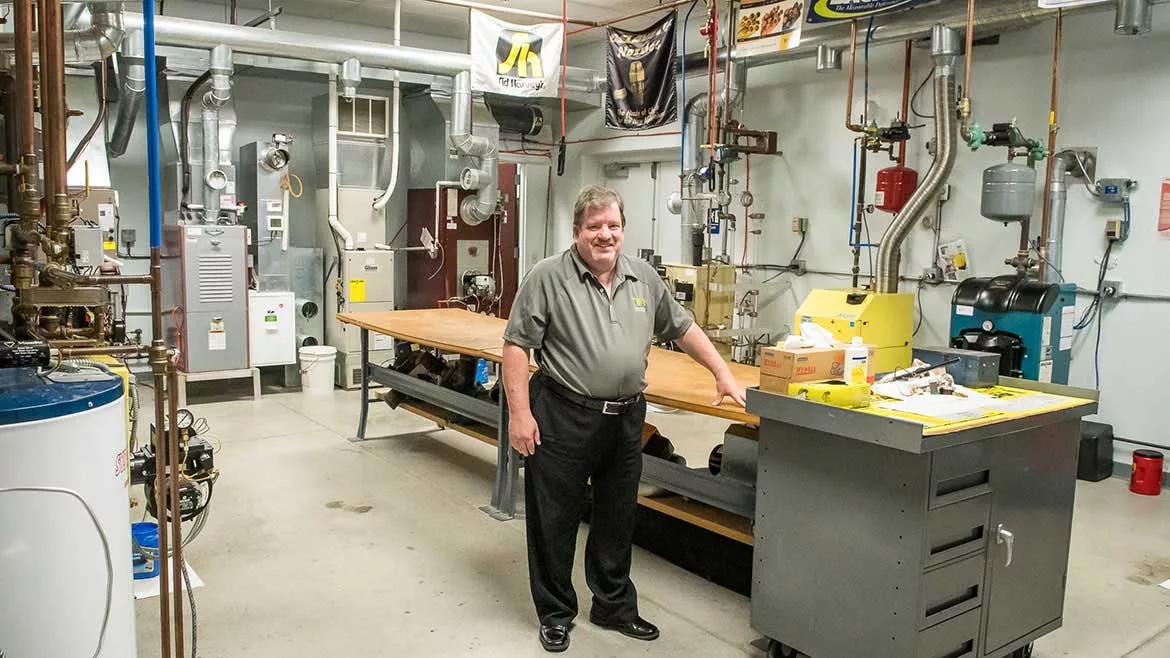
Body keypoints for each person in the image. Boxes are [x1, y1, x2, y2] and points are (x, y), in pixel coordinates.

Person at [501, 185, 747, 652]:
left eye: (612, 225)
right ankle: (556, 612)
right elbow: (516, 346)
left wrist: (722, 373)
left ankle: (613, 605)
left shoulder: (643, 277)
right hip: (563, 414)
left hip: (627, 418)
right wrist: (520, 414)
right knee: (554, 518)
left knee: (618, 515)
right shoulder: (547, 277)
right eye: (594, 226)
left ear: (623, 230)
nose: (604, 234)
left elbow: (684, 327)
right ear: (576, 232)